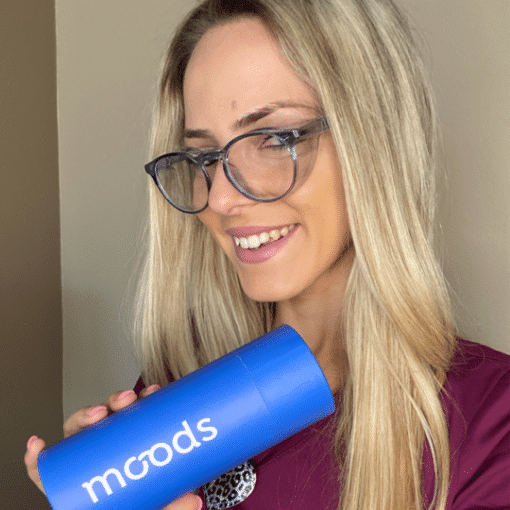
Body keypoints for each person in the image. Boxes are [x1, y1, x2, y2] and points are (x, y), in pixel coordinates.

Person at [25, 0, 509, 509]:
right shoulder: (178, 384)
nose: (220, 199)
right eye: (203, 156)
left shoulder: (489, 424)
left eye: (274, 139)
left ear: (373, 141)